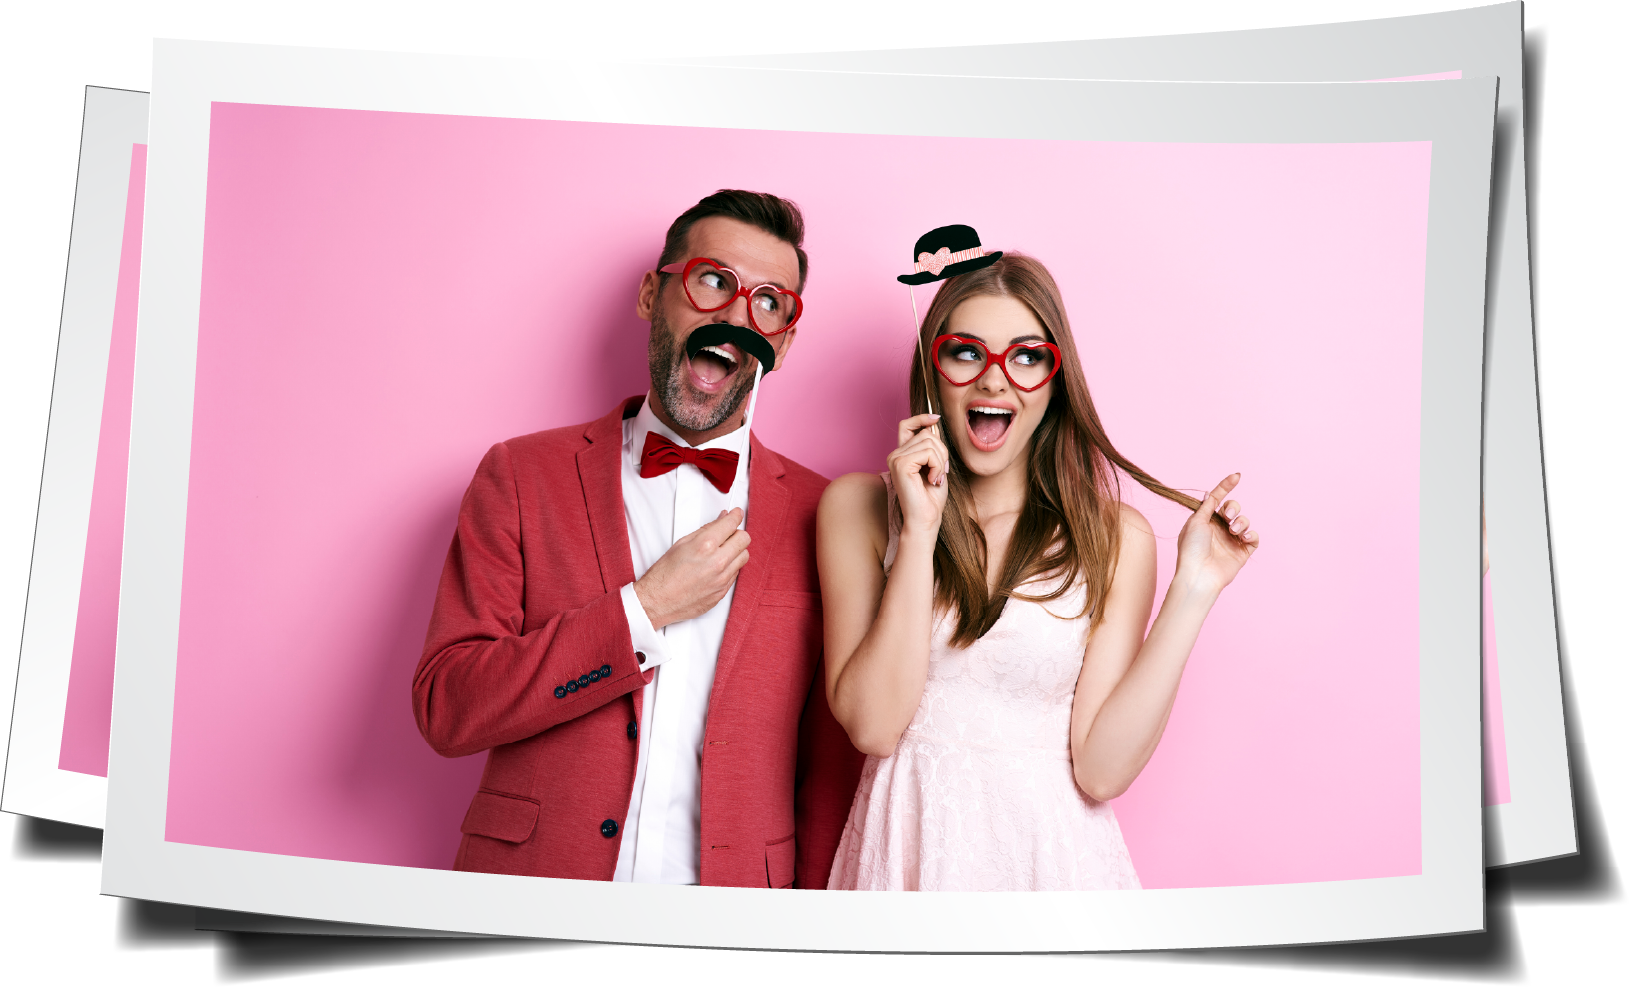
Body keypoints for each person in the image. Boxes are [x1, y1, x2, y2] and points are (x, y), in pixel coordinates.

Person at [413, 189, 863, 888]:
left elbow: (829, 774)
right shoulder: (522, 475)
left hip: (731, 925)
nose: (736, 316)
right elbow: (450, 707)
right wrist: (640, 611)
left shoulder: (825, 513)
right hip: (534, 892)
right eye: (713, 280)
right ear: (653, 293)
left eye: (769, 302)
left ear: (783, 341)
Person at [817, 249, 1259, 891]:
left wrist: (1195, 588)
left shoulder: (1113, 538)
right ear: (933, 369)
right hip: (906, 859)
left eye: (1027, 358)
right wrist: (917, 531)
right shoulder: (856, 508)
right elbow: (874, 727)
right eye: (967, 352)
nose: (995, 382)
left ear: (1055, 383)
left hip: (1051, 867)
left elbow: (1101, 771)